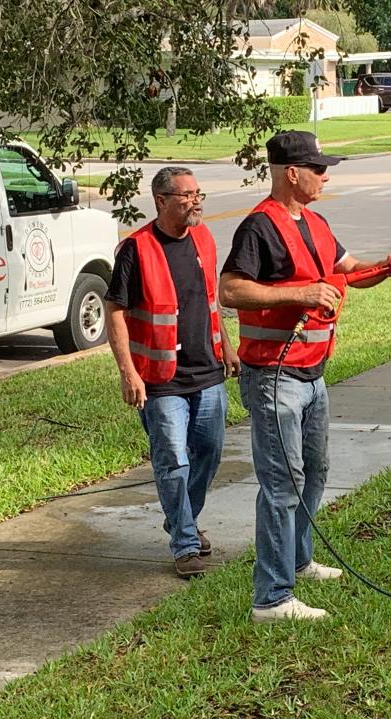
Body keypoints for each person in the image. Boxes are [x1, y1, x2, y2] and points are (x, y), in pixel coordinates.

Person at [218, 131, 391, 622]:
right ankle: (272, 597)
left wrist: (387, 268)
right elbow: (230, 291)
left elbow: (348, 271)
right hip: (274, 376)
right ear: (291, 173)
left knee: (316, 471)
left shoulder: (318, 223)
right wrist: (300, 296)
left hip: (313, 376)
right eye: (318, 168)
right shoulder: (259, 228)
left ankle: (300, 561)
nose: (326, 176)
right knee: (283, 483)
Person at [106, 166, 239, 579]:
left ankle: (181, 517)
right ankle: (184, 542)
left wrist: (228, 347)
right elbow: (115, 312)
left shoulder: (202, 238)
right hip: (161, 379)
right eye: (186, 195)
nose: (195, 201)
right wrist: (128, 373)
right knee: (172, 461)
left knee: (211, 453)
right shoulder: (136, 249)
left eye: (198, 193)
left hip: (208, 371)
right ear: (161, 201)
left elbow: (211, 302)